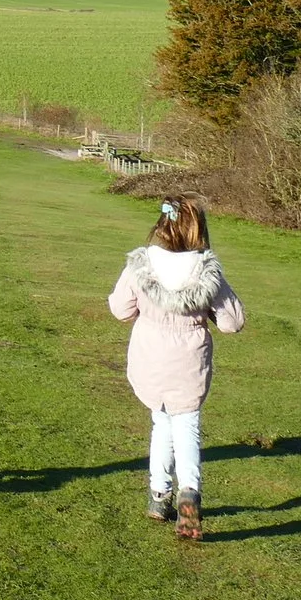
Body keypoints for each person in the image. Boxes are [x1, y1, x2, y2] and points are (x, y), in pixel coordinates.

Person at [107, 197, 244, 540]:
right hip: (188, 360)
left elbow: (120, 308)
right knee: (186, 424)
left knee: (161, 420)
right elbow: (232, 322)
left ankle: (158, 495)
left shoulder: (140, 265)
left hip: (150, 356)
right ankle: (189, 492)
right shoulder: (206, 271)